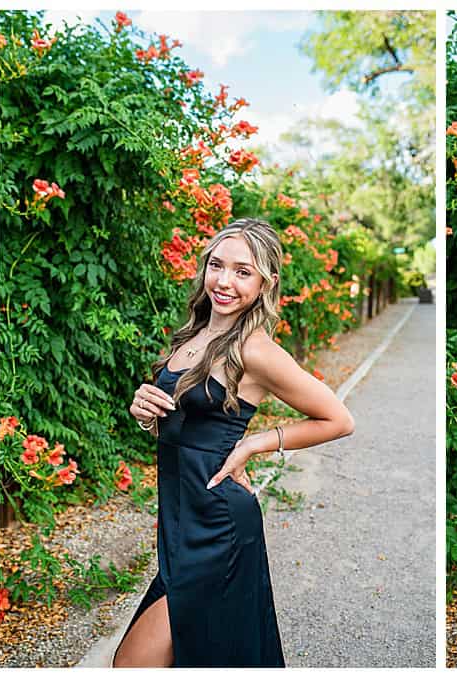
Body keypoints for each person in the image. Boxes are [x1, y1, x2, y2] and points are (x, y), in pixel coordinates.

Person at [117, 218, 354, 667]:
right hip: (180, 517)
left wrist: (252, 445)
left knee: (142, 663)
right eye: (217, 265)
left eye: (243, 271)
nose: (224, 281)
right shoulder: (194, 335)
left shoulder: (256, 350)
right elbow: (186, 426)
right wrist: (144, 410)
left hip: (217, 523)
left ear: (266, 281)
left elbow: (338, 419)